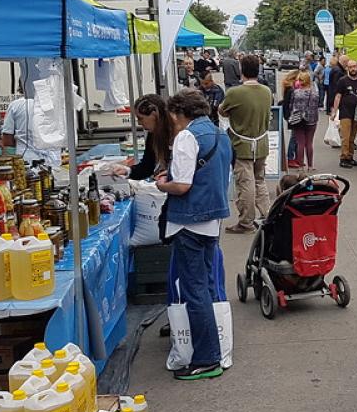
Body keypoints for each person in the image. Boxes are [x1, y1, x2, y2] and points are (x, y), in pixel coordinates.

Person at [155, 89, 232, 380]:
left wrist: (163, 185)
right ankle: (215, 350)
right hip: (212, 218)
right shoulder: (218, 133)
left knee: (194, 290)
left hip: (189, 220)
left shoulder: (187, 136)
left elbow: (183, 185)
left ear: (177, 114)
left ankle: (207, 357)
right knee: (206, 287)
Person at [220, 54, 272, 234]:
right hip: (262, 142)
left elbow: (222, 110)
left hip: (242, 144)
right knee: (260, 180)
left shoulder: (234, 93)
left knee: (245, 183)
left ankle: (245, 222)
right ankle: (268, 214)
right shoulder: (266, 91)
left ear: (241, 70)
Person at [112, 94, 175, 180]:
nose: (139, 123)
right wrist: (128, 171)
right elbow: (147, 167)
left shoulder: (177, 133)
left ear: (154, 114)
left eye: (140, 118)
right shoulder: (153, 134)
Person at [1, 97, 61, 166]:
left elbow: (7, 140)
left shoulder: (16, 105)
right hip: (53, 160)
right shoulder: (55, 104)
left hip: (27, 160)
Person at [332, 58, 357, 169]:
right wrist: (334, 111)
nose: (353, 69)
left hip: (356, 113)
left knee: (352, 137)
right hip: (345, 111)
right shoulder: (343, 81)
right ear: (347, 68)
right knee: (345, 137)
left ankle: (350, 157)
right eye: (350, 67)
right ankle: (344, 158)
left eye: (354, 67)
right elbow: (338, 96)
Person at [288, 71, 320, 170]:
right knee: (309, 143)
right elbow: (316, 107)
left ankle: (301, 166)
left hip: (298, 120)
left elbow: (290, 106)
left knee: (300, 143)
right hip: (311, 120)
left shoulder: (296, 92)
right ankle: (310, 166)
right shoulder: (314, 93)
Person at [279, 70, 301, 167]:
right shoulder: (290, 89)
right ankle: (290, 158)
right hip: (292, 115)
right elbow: (287, 104)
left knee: (297, 137)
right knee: (295, 137)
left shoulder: (290, 88)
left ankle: (296, 157)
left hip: (292, 114)